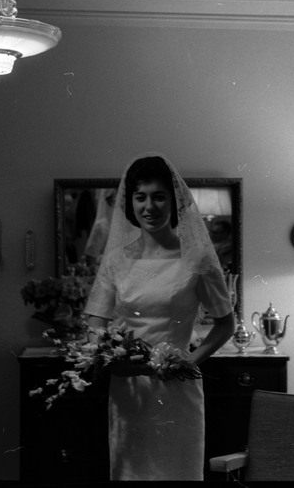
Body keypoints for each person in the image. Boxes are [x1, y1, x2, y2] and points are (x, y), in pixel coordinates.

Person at [82, 152, 235, 481]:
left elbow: (226, 324)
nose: (149, 207)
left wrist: (190, 362)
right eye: (141, 197)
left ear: (174, 202)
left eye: (158, 197)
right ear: (130, 203)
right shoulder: (116, 261)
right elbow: (96, 319)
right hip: (129, 391)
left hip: (177, 389)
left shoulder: (197, 259)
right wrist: (105, 355)